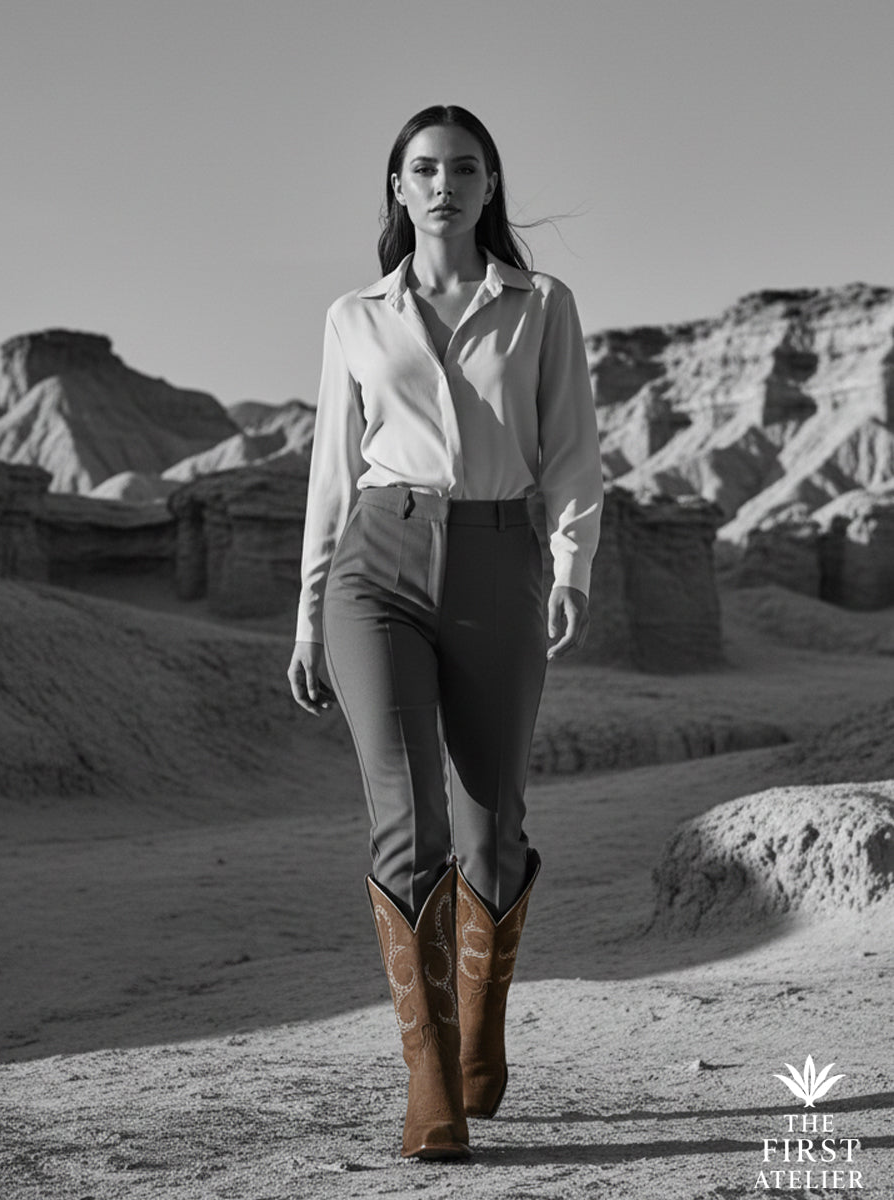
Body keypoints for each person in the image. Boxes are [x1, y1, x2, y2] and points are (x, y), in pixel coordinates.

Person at [287, 104, 604, 1161]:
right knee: (407, 824)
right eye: (423, 169)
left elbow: (572, 449)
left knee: (490, 827)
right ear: (397, 186)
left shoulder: (540, 304)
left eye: (464, 169)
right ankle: (430, 1083)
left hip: (499, 560)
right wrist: (307, 614)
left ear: (489, 184)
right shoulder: (354, 316)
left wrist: (571, 565)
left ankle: (480, 1030)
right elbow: (332, 473)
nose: (443, 185)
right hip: (376, 563)